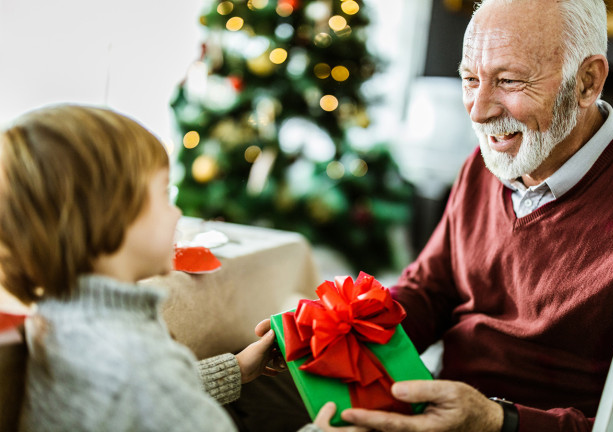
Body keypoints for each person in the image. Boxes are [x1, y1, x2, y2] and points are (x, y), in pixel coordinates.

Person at [331, 0, 613, 431]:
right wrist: (346, 329)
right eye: (470, 79)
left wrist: (497, 421)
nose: (477, 110)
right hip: (441, 408)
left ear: (587, 82)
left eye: (509, 81)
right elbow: (428, 290)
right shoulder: (484, 163)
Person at [0, 105, 365, 432]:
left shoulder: (58, 313)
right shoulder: (139, 364)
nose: (177, 212)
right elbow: (147, 386)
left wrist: (236, 369)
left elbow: (145, 402)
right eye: (163, 193)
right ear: (107, 217)